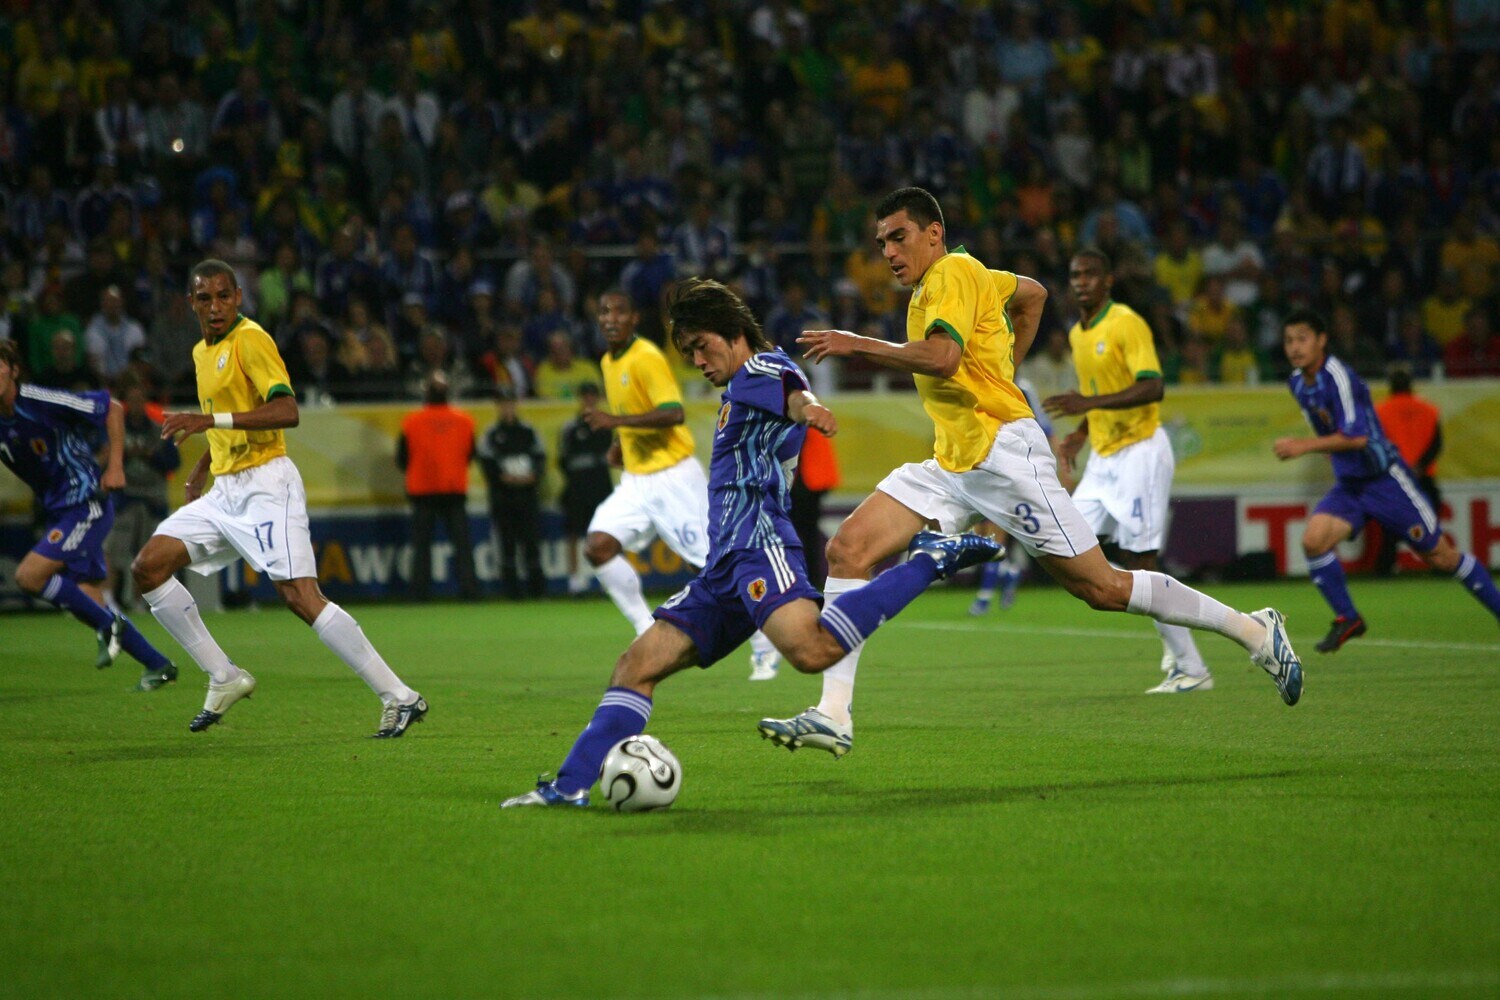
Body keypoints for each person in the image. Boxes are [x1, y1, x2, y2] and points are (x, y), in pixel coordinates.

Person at [760, 188, 1304, 757]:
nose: (889, 252)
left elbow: (943, 357)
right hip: (955, 459)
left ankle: (1255, 630)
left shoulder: (951, 272)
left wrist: (858, 344)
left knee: (1103, 587)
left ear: (933, 234)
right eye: (881, 243)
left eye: (899, 237)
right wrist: (1003, 368)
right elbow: (1035, 295)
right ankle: (833, 713)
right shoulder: (960, 277)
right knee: (849, 549)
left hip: (1003, 455)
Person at [501, 279, 999, 807]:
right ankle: (569, 786)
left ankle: (926, 560)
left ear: (733, 332)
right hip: (724, 566)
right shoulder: (743, 381)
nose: (696, 359)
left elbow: (790, 391)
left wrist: (809, 409)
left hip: (760, 544)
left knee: (810, 650)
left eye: (701, 345)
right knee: (635, 666)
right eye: (688, 350)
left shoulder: (757, 370)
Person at [131, 260, 428, 736]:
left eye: (223, 296)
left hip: (267, 485)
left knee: (298, 596)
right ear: (191, 303)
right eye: (204, 298)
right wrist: (203, 465)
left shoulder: (251, 339)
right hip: (224, 491)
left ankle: (400, 695)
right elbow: (226, 415)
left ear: (239, 298)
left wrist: (209, 424)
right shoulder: (201, 353)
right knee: (148, 567)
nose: (215, 307)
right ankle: (224, 675)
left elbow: (286, 411)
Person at [582, 289, 781, 681]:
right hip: (637, 479)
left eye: (619, 311)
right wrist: (620, 444)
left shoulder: (647, 357)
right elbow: (633, 410)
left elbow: (673, 413)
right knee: (598, 545)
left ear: (634, 319)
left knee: (714, 566)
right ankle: (644, 629)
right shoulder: (608, 360)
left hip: (672, 477)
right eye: (604, 310)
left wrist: (616, 424)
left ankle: (765, 639)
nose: (610, 318)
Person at [1274, 309, 1500, 650]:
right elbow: (1329, 428)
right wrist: (1325, 448)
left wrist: (1304, 445)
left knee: (1441, 556)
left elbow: (1357, 437)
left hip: (1384, 480)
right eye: (1289, 340)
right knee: (1313, 541)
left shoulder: (1339, 377)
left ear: (1322, 341)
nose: (1295, 347)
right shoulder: (1297, 382)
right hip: (1351, 485)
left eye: (1303, 339)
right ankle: (1348, 618)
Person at [1042, 249, 1212, 694]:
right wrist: (1082, 430)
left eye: (1090, 275)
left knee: (1141, 559)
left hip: (1140, 450)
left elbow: (1153, 385)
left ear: (1108, 280)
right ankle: (1167, 620)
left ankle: (1191, 667)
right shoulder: (1079, 333)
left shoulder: (1126, 322)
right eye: (1075, 275)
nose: (1081, 282)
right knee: (1065, 542)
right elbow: (1101, 392)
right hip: (1104, 454)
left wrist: (1088, 406)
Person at [0, 340, 178, 690]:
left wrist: (114, 467)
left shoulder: (38, 401)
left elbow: (111, 408)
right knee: (89, 598)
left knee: (29, 577)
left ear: (14, 370)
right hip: (59, 510)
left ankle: (111, 626)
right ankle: (158, 664)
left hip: (86, 501)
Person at [397, 373, 479, 601]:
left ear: (427, 393)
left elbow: (402, 458)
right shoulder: (464, 420)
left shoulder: (411, 422)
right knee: (462, 545)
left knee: (421, 547)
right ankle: (469, 591)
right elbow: (471, 454)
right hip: (453, 490)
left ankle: (419, 593)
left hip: (422, 491)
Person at [104, 375, 180, 611]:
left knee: (146, 556)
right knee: (114, 551)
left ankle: (138, 601)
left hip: (151, 499)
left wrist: (149, 455)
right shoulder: (116, 427)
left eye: (140, 399)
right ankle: (106, 600)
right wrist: (126, 454)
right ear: (126, 401)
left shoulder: (158, 429)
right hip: (124, 498)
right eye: (132, 399)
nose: (136, 404)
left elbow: (172, 462)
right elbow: (102, 458)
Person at [477, 384, 545, 600]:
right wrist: (503, 479)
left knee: (531, 543)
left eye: (510, 403)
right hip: (503, 498)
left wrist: (532, 476)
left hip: (527, 497)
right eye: (503, 404)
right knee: (507, 545)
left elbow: (540, 460)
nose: (507, 408)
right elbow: (487, 465)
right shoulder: (491, 434)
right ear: (498, 406)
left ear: (515, 405)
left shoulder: (528, 432)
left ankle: (537, 591)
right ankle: (512, 592)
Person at [1374, 368, 1442, 576]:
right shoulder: (1430, 410)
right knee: (1430, 525)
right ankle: (1438, 565)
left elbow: (1379, 444)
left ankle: (1386, 567)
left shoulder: (1380, 411)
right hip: (1424, 478)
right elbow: (1436, 444)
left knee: (1391, 527)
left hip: (1395, 478)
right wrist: (1420, 466)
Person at [557, 382, 614, 595]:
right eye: (586, 396)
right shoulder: (571, 428)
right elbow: (563, 460)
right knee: (573, 533)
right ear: (581, 399)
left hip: (600, 486)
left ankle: (604, 577)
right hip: (577, 487)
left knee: (604, 533)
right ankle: (574, 578)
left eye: (593, 396)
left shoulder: (606, 427)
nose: (589, 400)